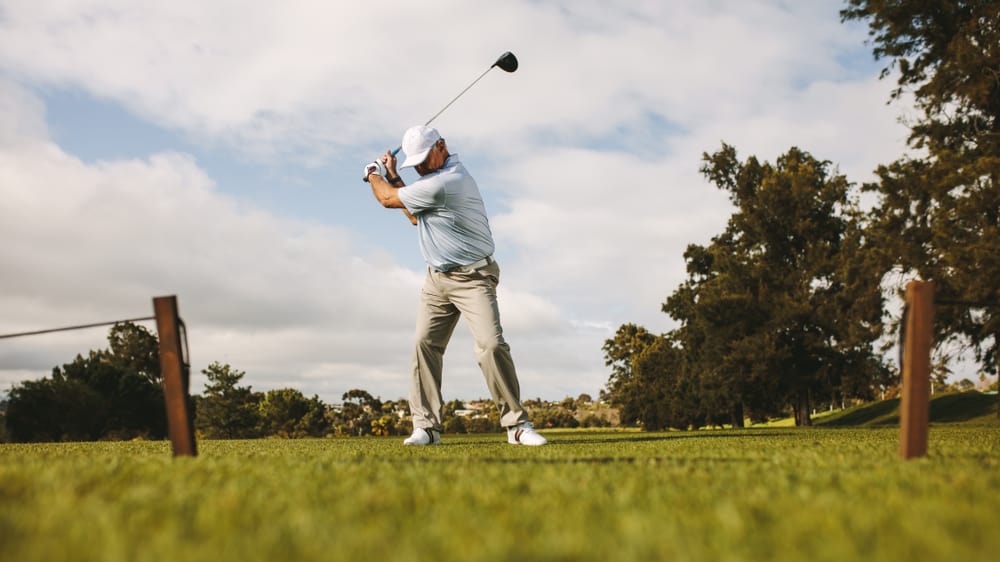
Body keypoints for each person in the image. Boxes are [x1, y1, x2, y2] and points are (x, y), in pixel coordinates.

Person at [363, 125, 546, 446]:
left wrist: (372, 174)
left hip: (474, 278)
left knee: (491, 345)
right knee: (424, 345)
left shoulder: (449, 182)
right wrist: (393, 176)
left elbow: (387, 200)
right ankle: (427, 428)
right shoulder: (432, 182)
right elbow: (414, 217)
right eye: (414, 163)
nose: (418, 167)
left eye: (422, 159)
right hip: (437, 279)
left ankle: (517, 426)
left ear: (441, 147)